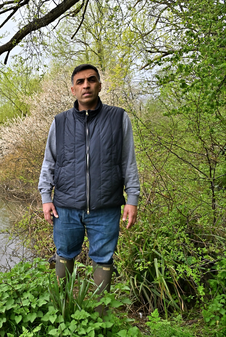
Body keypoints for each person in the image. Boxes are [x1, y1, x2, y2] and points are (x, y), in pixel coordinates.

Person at [38, 64, 140, 296]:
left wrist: (132, 198)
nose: (86, 85)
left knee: (103, 258)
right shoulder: (60, 122)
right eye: (81, 82)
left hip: (106, 207)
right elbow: (49, 162)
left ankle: (100, 316)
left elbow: (128, 162)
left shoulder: (118, 118)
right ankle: (63, 309)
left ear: (99, 86)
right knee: (64, 254)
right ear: (73, 89)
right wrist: (46, 197)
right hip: (65, 206)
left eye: (91, 80)